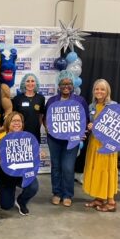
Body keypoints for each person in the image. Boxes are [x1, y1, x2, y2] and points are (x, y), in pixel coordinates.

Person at [83, 79, 120, 212]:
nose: (99, 91)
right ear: (94, 91)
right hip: (94, 143)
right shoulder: (91, 106)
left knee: (107, 171)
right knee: (96, 170)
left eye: (102, 89)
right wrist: (90, 126)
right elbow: (92, 125)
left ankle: (111, 202)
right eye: (97, 89)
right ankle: (99, 198)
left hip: (108, 145)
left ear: (107, 91)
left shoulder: (114, 106)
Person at [45, 70, 89, 207]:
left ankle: (68, 194)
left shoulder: (80, 100)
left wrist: (83, 131)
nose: (66, 86)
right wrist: (47, 127)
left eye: (69, 83)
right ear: (58, 85)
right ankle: (57, 193)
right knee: (56, 166)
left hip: (72, 140)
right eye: (63, 83)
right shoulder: (52, 100)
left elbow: (85, 119)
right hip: (54, 140)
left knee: (68, 167)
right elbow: (46, 119)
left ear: (73, 85)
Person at [0, 111, 39, 215]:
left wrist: (38, 154)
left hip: (23, 174)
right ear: (8, 123)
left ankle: (21, 201)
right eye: (13, 121)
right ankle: (5, 194)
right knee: (6, 206)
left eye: (19, 121)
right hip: (5, 176)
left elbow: (33, 156)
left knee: (33, 186)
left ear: (22, 123)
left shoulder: (28, 137)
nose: (16, 123)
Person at [12, 73, 45, 143]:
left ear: (36, 83)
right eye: (28, 81)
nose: (30, 83)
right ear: (24, 83)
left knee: (35, 152)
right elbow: (13, 117)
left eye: (32, 81)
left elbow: (41, 116)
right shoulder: (17, 99)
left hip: (35, 133)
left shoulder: (41, 98)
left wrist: (37, 126)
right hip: (20, 133)